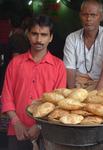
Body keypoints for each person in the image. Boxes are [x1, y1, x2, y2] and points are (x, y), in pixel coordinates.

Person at [1, 15, 66, 150]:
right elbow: (6, 97)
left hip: (47, 133)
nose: (39, 39)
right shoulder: (15, 63)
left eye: (43, 35)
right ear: (28, 34)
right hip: (16, 131)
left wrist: (39, 125)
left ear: (51, 37)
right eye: (34, 34)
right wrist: (16, 122)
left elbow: (58, 103)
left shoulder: (59, 66)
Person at [63, 0, 103, 91]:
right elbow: (70, 69)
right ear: (80, 16)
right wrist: (72, 93)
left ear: (101, 17)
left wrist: (96, 95)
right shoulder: (72, 38)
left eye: (93, 15)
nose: (88, 19)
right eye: (85, 15)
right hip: (78, 84)